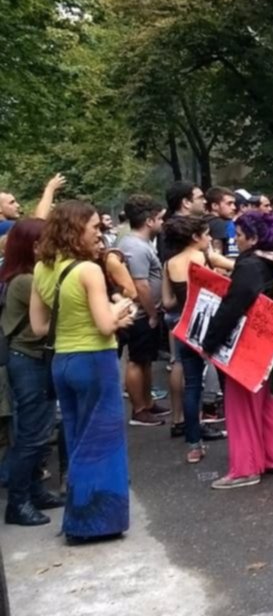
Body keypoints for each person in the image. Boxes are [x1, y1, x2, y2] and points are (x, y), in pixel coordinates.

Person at [30, 201, 135, 543]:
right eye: (93, 227)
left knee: (77, 438)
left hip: (63, 362)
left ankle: (76, 518)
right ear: (75, 230)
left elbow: (38, 327)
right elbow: (105, 326)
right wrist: (120, 310)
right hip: (94, 360)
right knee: (103, 441)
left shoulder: (42, 270)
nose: (99, 234)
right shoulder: (88, 270)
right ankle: (98, 521)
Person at [199, 212, 273, 489]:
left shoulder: (250, 264)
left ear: (253, 237)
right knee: (267, 398)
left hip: (248, 342)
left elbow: (233, 306)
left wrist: (209, 343)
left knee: (239, 404)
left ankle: (245, 468)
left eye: (239, 235)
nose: (236, 240)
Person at [2, 219, 67, 526]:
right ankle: (18, 502)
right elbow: (59, 310)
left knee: (38, 432)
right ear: (34, 245)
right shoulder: (27, 281)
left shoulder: (24, 276)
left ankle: (34, 491)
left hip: (32, 359)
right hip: (28, 360)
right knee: (31, 435)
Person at [161, 216, 227, 464]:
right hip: (210, 326)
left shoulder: (169, 263)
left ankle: (193, 445)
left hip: (184, 326)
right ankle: (241, 433)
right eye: (207, 234)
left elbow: (167, 302)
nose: (210, 238)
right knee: (225, 380)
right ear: (195, 237)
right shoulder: (201, 259)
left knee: (192, 386)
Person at [117, 195, 169, 428]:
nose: (162, 223)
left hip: (146, 313)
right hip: (140, 314)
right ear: (149, 221)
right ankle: (139, 409)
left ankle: (148, 403)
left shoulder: (140, 244)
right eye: (159, 218)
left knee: (146, 359)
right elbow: (141, 285)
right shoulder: (135, 247)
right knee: (137, 360)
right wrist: (151, 313)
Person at [0, 174, 67, 238]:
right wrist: (50, 188)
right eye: (11, 203)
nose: (18, 205)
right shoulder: (5, 226)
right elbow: (37, 223)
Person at [207, 187, 239, 259]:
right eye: (229, 203)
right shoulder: (219, 224)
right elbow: (217, 256)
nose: (234, 207)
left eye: (234, 203)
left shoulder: (202, 221)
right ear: (214, 206)